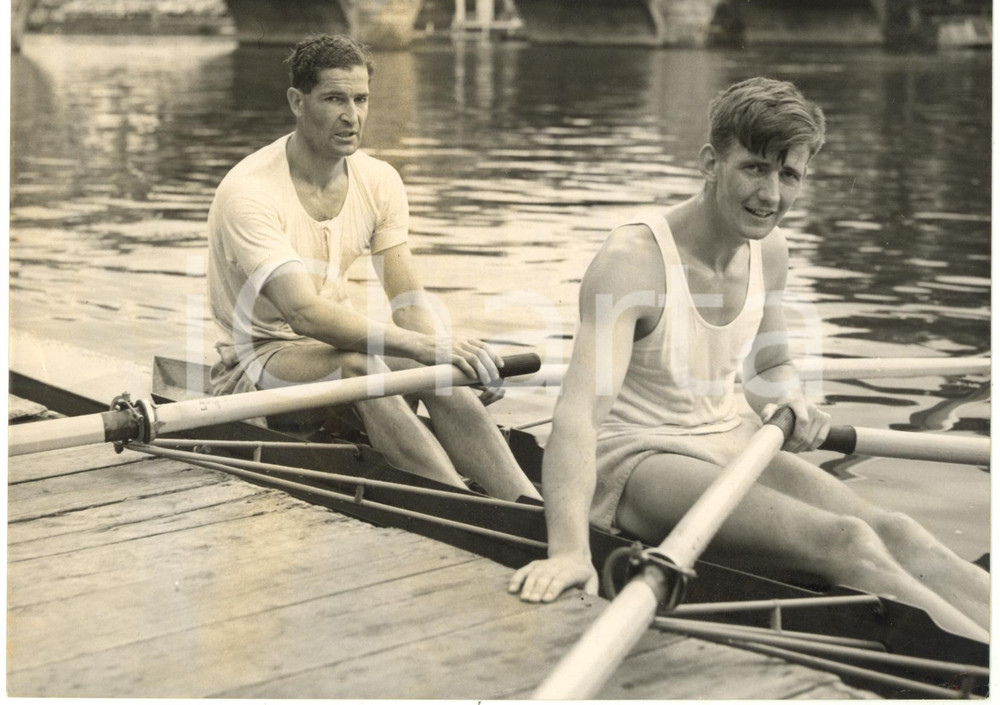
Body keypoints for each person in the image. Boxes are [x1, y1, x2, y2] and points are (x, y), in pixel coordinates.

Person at [507, 78, 989, 643]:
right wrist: (568, 551)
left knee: (895, 528)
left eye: (789, 176)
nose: (771, 194)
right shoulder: (632, 261)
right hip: (637, 455)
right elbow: (577, 417)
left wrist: (786, 398)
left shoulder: (772, 248)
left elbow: (768, 368)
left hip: (728, 436)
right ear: (711, 161)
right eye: (756, 168)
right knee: (846, 541)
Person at [206, 33, 539, 502]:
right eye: (334, 99)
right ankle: (458, 503)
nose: (352, 116)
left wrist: (446, 353)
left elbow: (407, 302)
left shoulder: (380, 180)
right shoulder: (251, 192)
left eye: (361, 99)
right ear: (297, 102)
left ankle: (524, 503)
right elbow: (302, 313)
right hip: (257, 358)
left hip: (334, 343)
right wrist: (424, 347)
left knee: (435, 367)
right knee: (364, 365)